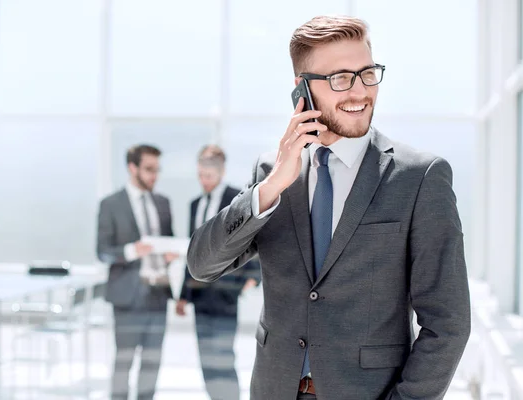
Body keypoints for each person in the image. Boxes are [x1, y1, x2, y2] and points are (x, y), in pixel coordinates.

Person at [186, 15, 470, 400]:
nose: (359, 92)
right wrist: (270, 187)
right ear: (302, 88)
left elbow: (448, 322)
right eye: (340, 78)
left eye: (367, 74)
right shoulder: (272, 172)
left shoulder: (420, 177)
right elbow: (202, 265)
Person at [176, 145, 260, 400]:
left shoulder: (237, 198)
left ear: (221, 172)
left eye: (209, 176)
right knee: (206, 360)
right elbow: (193, 253)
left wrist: (253, 278)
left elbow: (254, 239)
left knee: (223, 357)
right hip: (200, 296)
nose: (204, 181)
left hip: (226, 293)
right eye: (200, 175)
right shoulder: (195, 204)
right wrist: (182, 294)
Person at [96, 144, 178, 400]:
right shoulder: (110, 204)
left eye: (157, 170)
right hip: (128, 296)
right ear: (132, 168)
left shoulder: (163, 203)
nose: (154, 175)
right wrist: (132, 250)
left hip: (158, 292)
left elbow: (170, 240)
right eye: (148, 169)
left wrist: (170, 255)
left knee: (152, 362)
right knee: (124, 361)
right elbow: (103, 251)